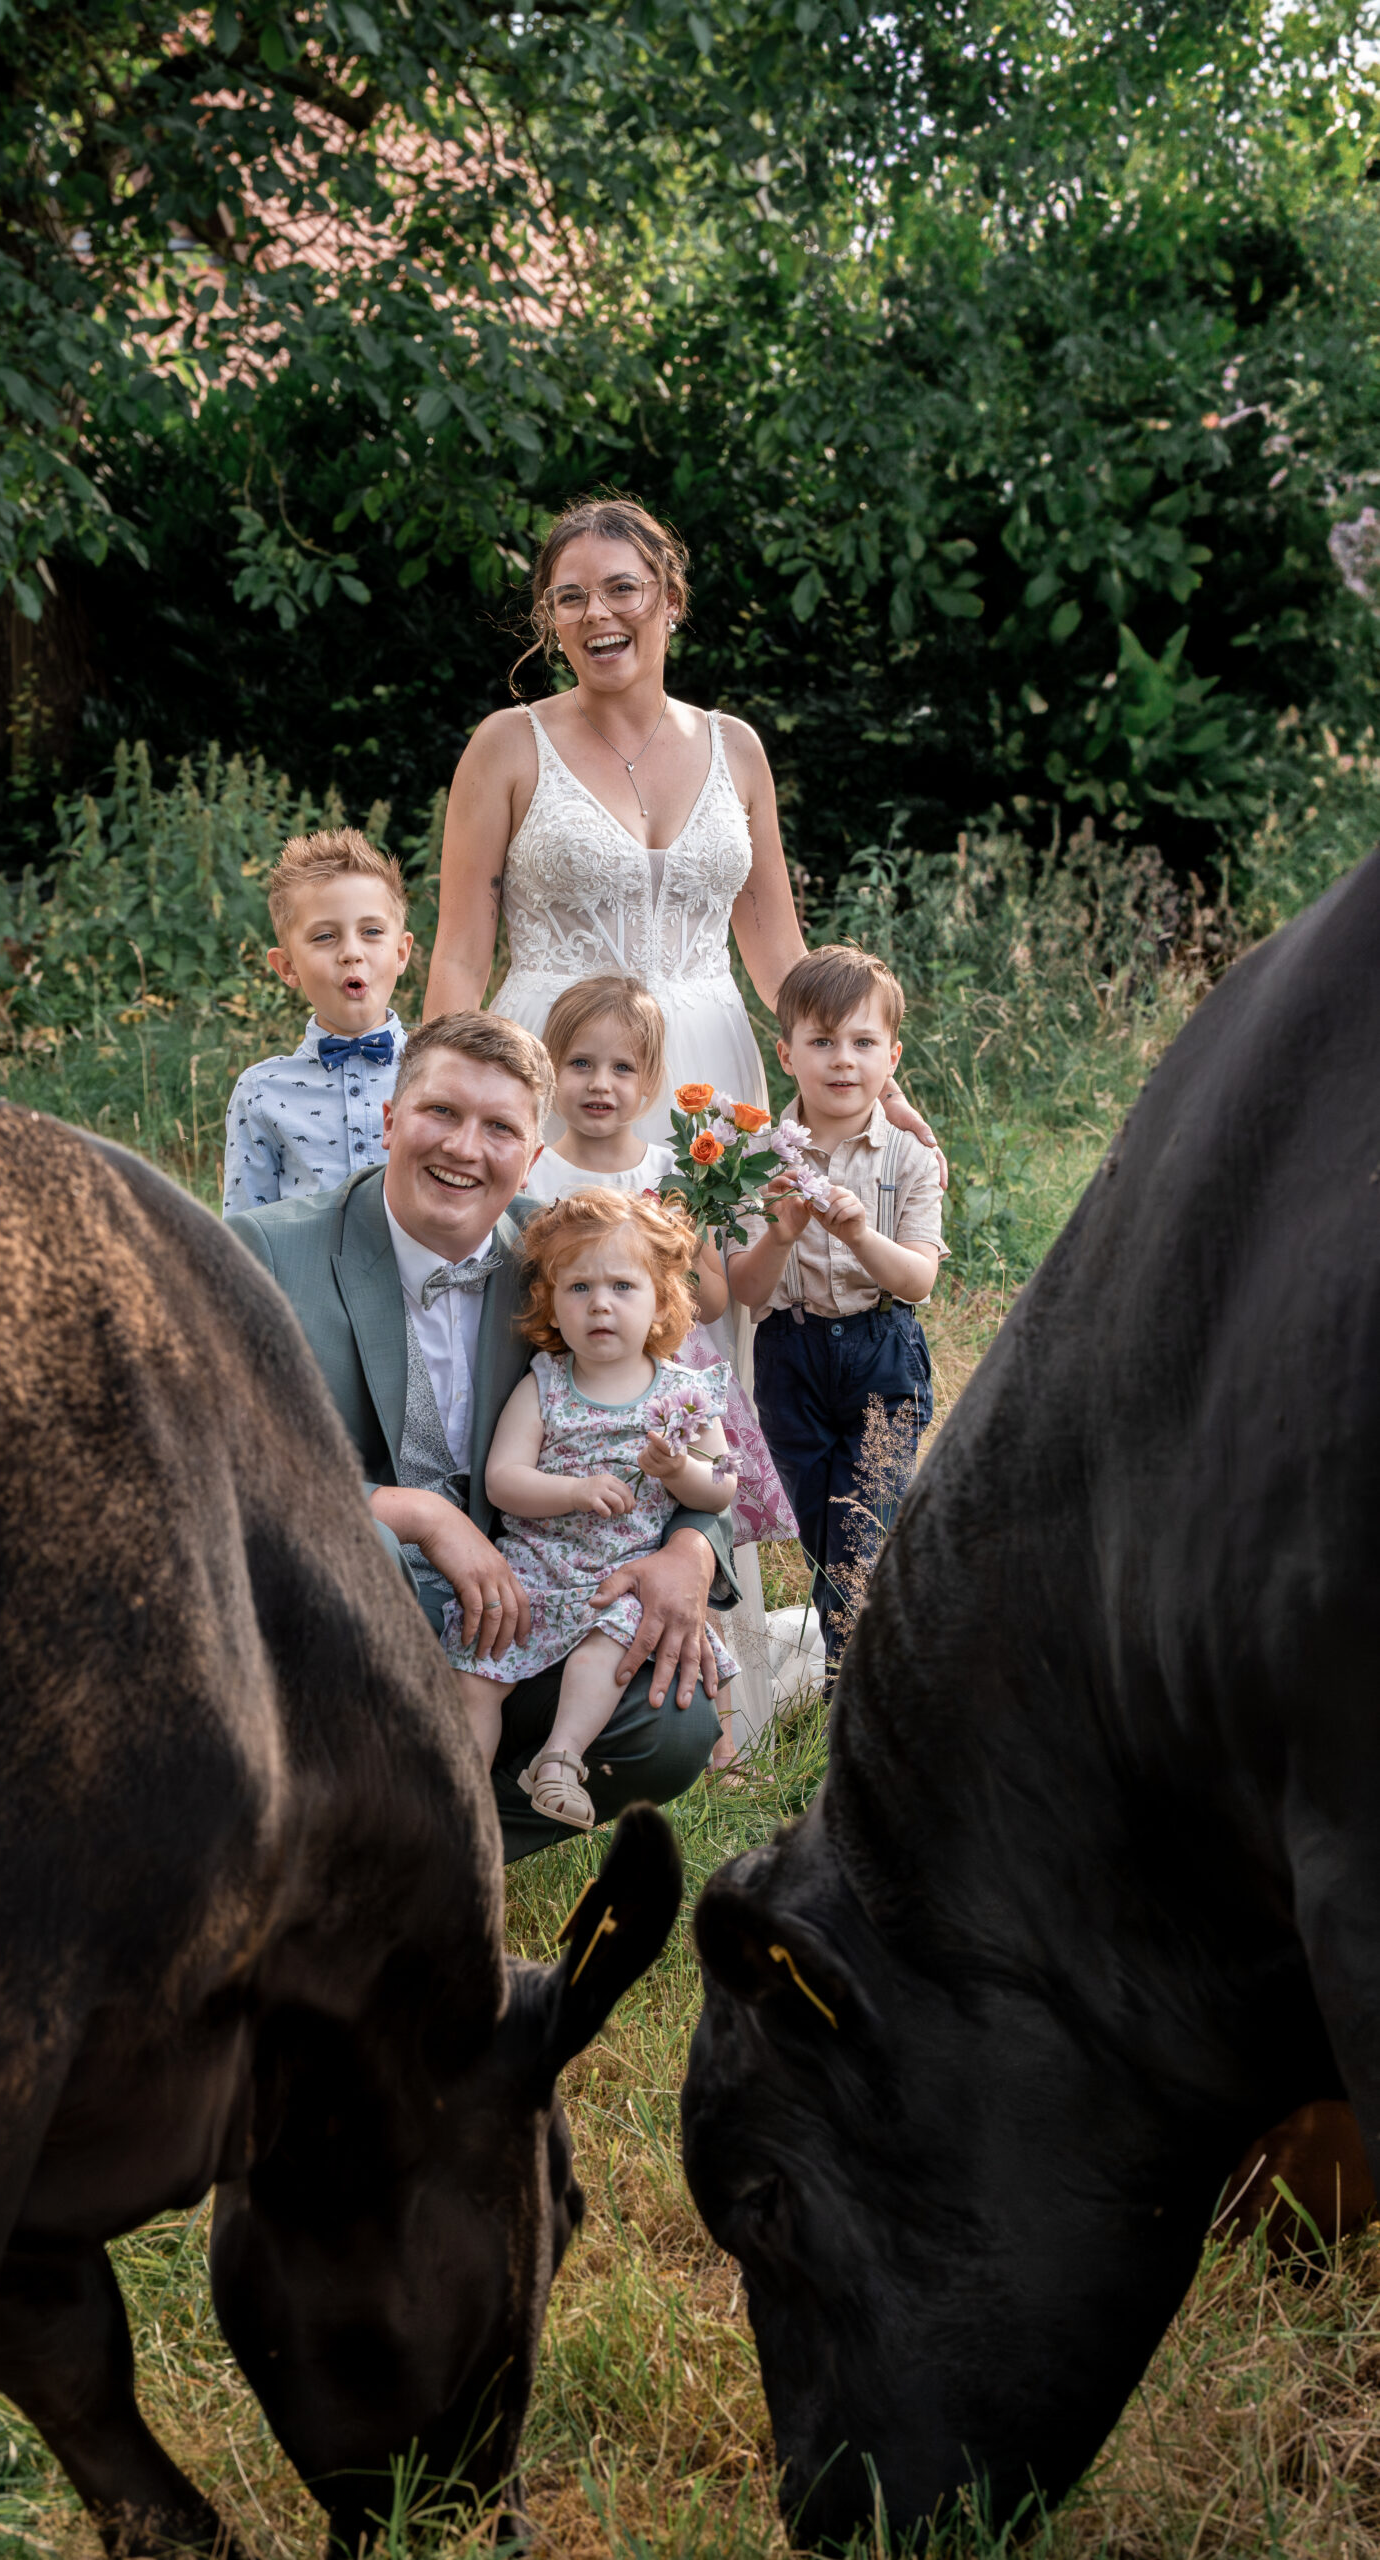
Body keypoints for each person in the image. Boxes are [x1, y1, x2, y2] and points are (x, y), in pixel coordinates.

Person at [423, 493, 937, 1739]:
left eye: (620, 588)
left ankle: (710, 1649)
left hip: (709, 1077)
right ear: (547, 621)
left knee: (714, 1344)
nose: (597, 614)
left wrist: (877, 1086)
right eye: (569, 597)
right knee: (564, 1325)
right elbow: (455, 952)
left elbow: (777, 944)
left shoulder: (737, 746)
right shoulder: (507, 745)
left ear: (668, 596)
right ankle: (539, 1631)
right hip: (562, 1069)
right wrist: (448, 1090)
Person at [224, 1010, 735, 1862]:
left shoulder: (572, 1259)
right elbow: (215, 1469)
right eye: (440, 1114)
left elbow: (670, 1413)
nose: (465, 1148)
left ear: (531, 1155)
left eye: (499, 1127)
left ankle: (423, 1854)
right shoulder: (266, 1255)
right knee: (361, 1561)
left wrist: (690, 1548)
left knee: (669, 1729)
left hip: (528, 1612)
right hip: (346, 1617)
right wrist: (415, 1515)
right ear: (390, 1119)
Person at [523, 973, 796, 1776]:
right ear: (549, 1069)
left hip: (669, 1397)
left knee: (689, 1553)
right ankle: (576, 1720)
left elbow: (710, 1295)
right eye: (579, 1064)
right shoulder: (534, 1172)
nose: (600, 1085)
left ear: (650, 1083)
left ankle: (719, 1736)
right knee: (590, 1548)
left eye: (621, 1069)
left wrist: (682, 1260)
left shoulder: (673, 1170)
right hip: (576, 1403)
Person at [445, 1189, 739, 1832]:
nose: (599, 1303)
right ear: (551, 1302)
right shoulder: (545, 1383)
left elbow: (722, 1490)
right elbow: (504, 1481)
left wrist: (679, 1471)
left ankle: (559, 1758)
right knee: (479, 1667)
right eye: (577, 1288)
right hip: (536, 1567)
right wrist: (573, 1491)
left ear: (663, 1299)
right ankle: (460, 1802)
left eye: (623, 1286)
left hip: (625, 1575)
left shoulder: (686, 1394)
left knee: (609, 1641)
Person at [728, 946, 946, 1676]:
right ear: (786, 1054)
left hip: (881, 1349)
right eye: (821, 1042)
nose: (842, 1061)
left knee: (865, 1527)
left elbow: (917, 1281)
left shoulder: (908, 1157)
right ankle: (869, 1663)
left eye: (862, 1043)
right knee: (824, 1532)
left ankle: (855, 1683)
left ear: (891, 1058)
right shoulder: (753, 1159)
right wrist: (781, 1232)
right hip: (788, 1358)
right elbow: (746, 1292)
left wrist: (858, 1233)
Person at [222, 828, 413, 1213]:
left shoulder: (439, 1073)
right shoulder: (261, 1093)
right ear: (287, 967)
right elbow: (245, 1233)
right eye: (325, 936)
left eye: (371, 931)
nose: (351, 953)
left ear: (400, 952)